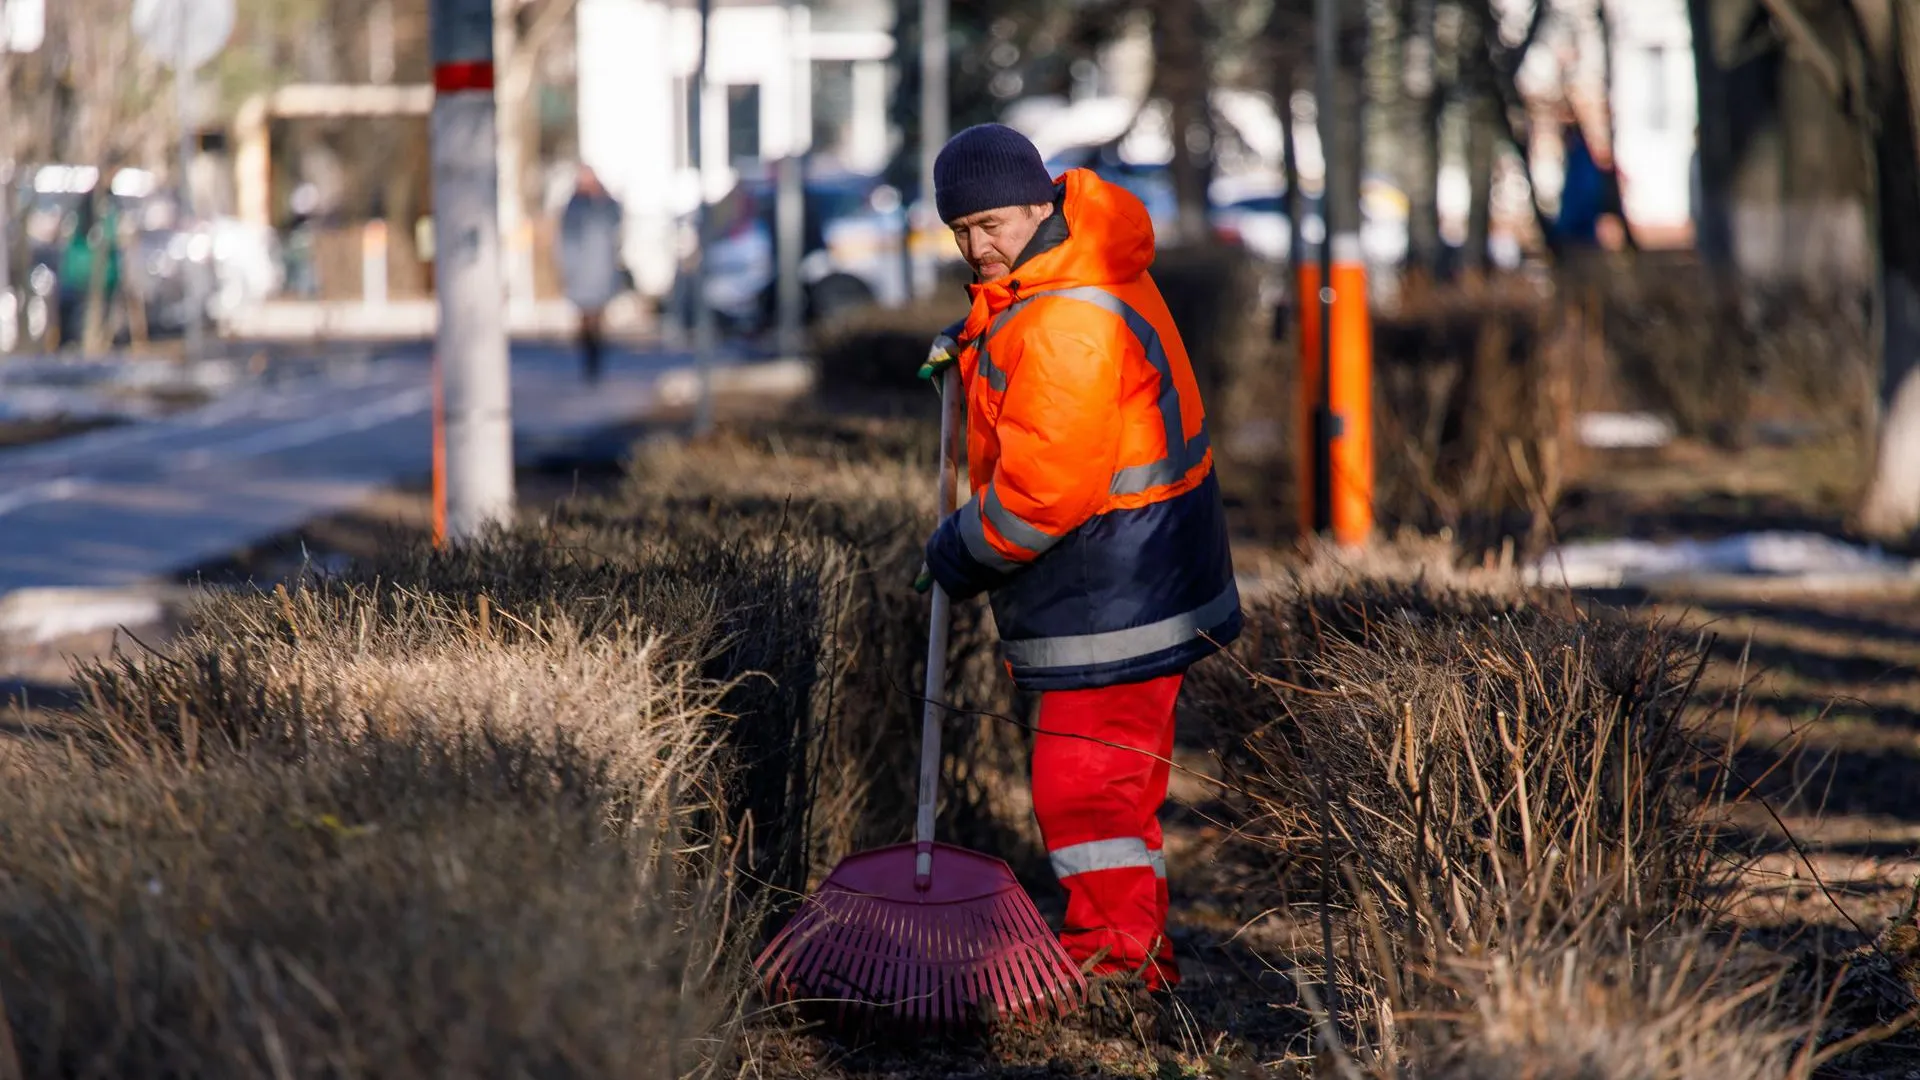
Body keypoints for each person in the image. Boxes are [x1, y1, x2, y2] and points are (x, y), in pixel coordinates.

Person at [913, 123, 1243, 1002]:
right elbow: (1022, 316)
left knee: (1087, 789)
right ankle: (1129, 951)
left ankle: (1114, 960)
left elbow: (1043, 492)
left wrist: (960, 547)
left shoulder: (1066, 320)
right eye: (962, 233)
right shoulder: (1071, 269)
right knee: (1113, 787)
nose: (980, 249)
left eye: (994, 225)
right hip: (1140, 573)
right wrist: (976, 332)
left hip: (1116, 583)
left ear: (1038, 204)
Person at [558, 165, 626, 383]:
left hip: (601, 269)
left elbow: (616, 221)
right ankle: (589, 363)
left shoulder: (604, 203)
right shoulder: (573, 206)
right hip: (581, 270)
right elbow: (566, 240)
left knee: (598, 318)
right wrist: (567, 269)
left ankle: (596, 362)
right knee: (585, 319)